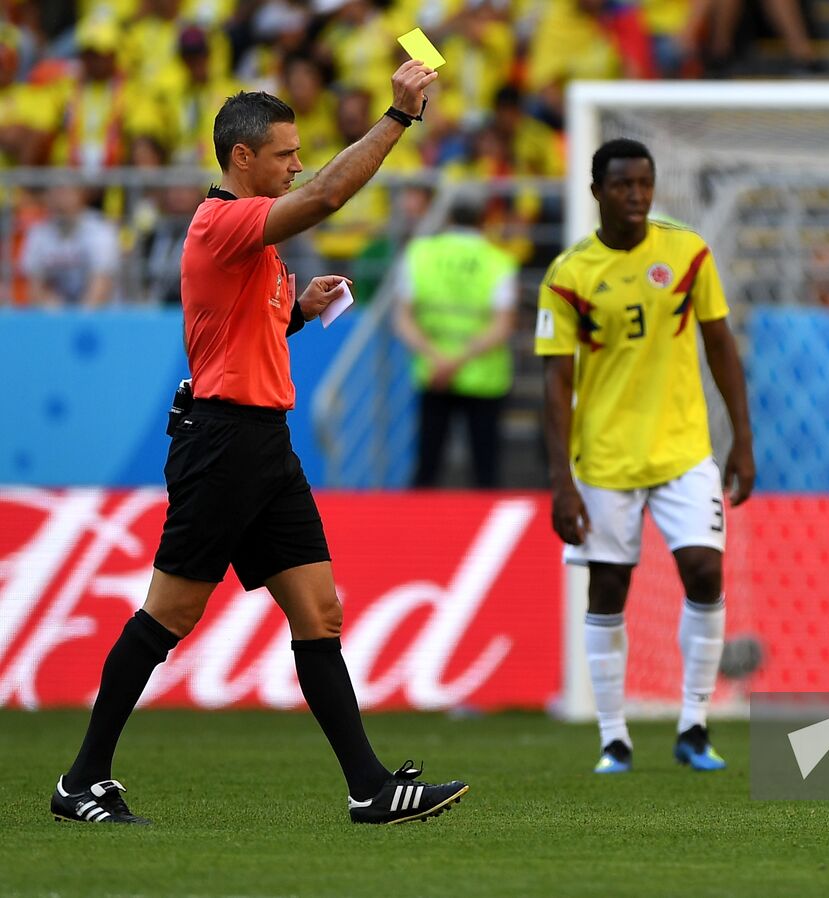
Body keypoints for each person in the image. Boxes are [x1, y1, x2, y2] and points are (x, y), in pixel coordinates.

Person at [50, 61, 470, 827]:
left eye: (299, 151)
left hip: (265, 444)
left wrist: (300, 313)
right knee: (169, 615)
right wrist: (398, 118)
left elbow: (238, 336)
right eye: (285, 153)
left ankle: (369, 788)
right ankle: (81, 781)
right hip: (224, 442)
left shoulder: (253, 245)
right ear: (242, 158)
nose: (297, 164)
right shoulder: (222, 221)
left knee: (320, 613)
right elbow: (330, 195)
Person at [535, 138, 755, 774]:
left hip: (685, 448)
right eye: (624, 185)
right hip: (604, 459)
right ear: (597, 192)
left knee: (705, 573)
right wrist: (561, 481)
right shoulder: (569, 275)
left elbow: (721, 345)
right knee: (608, 587)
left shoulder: (686, 252)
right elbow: (555, 381)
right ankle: (613, 737)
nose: (636, 196)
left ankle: (693, 724)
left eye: (645, 185)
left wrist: (742, 438)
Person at [394, 198, 519, 488]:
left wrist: (438, 358)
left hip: (433, 372)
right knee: (485, 471)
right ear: (484, 223)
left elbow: (402, 320)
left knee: (428, 468)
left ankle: (420, 530)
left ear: (448, 220)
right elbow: (503, 324)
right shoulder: (498, 261)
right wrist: (459, 360)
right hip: (484, 377)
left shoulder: (419, 254)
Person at [19, 184, 120, 307]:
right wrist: (56, 314)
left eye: (65, 193)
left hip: (99, 317)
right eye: (55, 193)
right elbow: (34, 286)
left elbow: (101, 283)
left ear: (81, 196)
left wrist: (76, 319)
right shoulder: (38, 233)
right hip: (55, 315)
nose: (60, 200)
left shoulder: (100, 230)